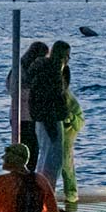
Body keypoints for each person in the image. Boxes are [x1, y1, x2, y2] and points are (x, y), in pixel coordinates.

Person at [27, 41, 72, 189]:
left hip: (41, 117)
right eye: (66, 56)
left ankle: (43, 190)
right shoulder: (52, 73)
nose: (68, 59)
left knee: (46, 155)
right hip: (50, 118)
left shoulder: (41, 70)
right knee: (53, 158)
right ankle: (47, 191)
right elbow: (51, 98)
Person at [8, 41, 49, 169]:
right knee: (31, 149)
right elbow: (16, 90)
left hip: (19, 114)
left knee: (27, 148)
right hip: (27, 114)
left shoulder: (17, 67)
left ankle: (27, 176)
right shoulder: (24, 70)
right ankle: (28, 178)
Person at [61, 88, 83, 207]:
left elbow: (80, 122)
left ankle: (71, 194)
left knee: (66, 164)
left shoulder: (68, 97)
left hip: (66, 133)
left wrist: (70, 118)